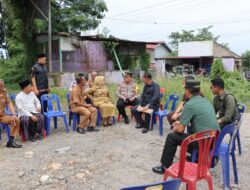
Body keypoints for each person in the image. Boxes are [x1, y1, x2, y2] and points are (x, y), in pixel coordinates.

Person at [152, 80, 220, 174]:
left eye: (185, 90)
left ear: (187, 91)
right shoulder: (206, 101)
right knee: (191, 131)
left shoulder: (190, 104)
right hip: (213, 140)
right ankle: (194, 156)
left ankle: (165, 166)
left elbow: (180, 130)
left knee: (172, 137)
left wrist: (175, 126)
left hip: (204, 142)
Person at [0, 79, 22, 148]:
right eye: (0, 87)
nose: (2, 88)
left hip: (2, 115)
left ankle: (11, 141)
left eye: (2, 86)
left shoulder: (5, 92)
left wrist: (13, 114)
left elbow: (9, 102)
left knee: (16, 120)